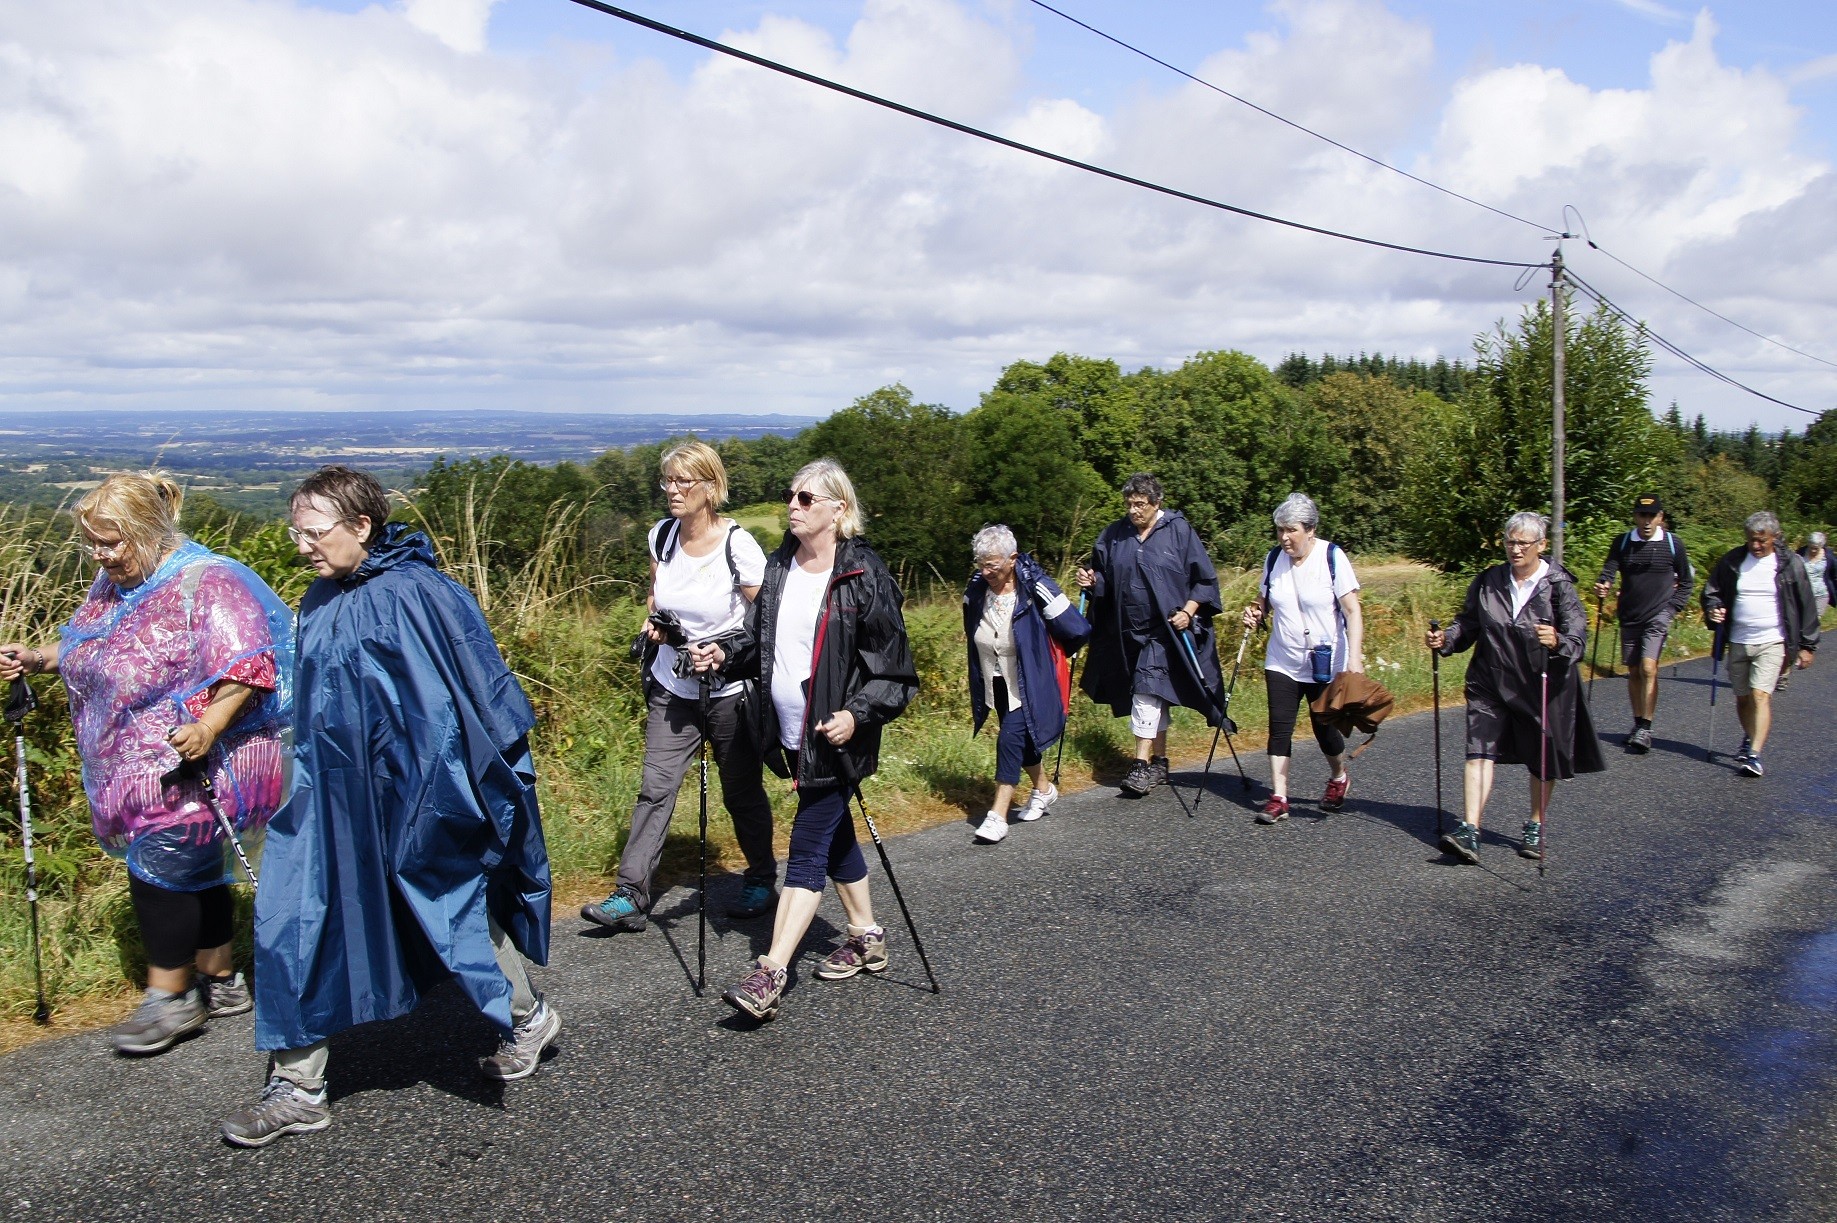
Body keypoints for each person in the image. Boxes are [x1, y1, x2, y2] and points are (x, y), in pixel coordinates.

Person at [222, 466, 557, 1148]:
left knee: (449, 906)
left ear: (361, 526)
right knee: (293, 916)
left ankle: (528, 1016)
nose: (302, 546)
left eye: (314, 532)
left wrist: (451, 794)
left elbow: (471, 700)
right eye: (296, 532)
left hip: (418, 793)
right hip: (329, 798)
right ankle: (298, 1085)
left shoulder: (422, 594)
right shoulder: (318, 598)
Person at [0, 473, 292, 1056]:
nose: (101, 555)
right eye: (93, 544)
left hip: (206, 756)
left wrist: (209, 725)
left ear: (150, 530)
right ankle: (221, 978)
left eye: (112, 542)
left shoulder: (208, 582)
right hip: (134, 761)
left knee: (162, 868)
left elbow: (251, 665)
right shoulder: (115, 586)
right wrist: (34, 657)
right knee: (196, 867)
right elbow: (92, 644)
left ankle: (171, 996)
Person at [717, 459, 918, 1021]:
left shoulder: (863, 575)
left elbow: (895, 674)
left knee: (806, 847)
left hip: (836, 737)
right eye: (791, 496)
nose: (793, 506)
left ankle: (770, 972)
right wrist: (723, 654)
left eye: (807, 499)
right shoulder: (780, 566)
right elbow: (757, 641)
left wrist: (857, 714)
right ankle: (866, 934)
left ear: (839, 509)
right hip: (788, 734)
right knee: (834, 839)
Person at [580, 441, 778, 932]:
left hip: (729, 693)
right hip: (673, 687)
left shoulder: (738, 545)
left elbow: (767, 617)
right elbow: (655, 595)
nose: (671, 489)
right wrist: (656, 625)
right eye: (668, 480)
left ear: (710, 488)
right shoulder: (662, 537)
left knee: (741, 792)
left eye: (683, 481)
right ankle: (630, 894)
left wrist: (725, 651)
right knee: (655, 788)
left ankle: (760, 878)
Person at [1425, 512, 1604, 864]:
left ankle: (1536, 824)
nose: (1515, 549)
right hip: (1490, 679)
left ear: (1541, 545)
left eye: (1523, 542)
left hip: (1542, 684)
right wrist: (1446, 638)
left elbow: (1578, 638)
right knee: (1478, 749)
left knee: (1542, 758)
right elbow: (1470, 622)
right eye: (1510, 541)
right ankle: (1470, 830)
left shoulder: (1558, 586)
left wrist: (1557, 641)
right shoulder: (1489, 580)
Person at [1075, 473, 1225, 797]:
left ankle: (1140, 765)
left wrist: (1188, 611)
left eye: (1140, 504)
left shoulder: (1179, 531)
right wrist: (1091, 581)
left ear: (1157, 503)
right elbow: (1104, 575)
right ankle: (1160, 762)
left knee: (1146, 689)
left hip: (1166, 632)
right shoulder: (1115, 534)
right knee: (1156, 695)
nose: (1133, 511)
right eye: (1129, 504)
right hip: (1127, 632)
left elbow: (1204, 580)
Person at [961, 525, 1091, 844]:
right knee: (1023, 741)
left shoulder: (1035, 586)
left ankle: (997, 816)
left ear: (1012, 558)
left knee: (1008, 740)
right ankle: (1044, 791)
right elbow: (970, 621)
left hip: (1029, 680)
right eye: (981, 563)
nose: (986, 570)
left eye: (992, 564)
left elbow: (1077, 628)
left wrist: (1050, 658)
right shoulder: (977, 586)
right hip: (997, 679)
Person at [1240, 493, 1364, 824]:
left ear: (1310, 529)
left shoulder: (1331, 557)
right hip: (1283, 658)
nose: (1283, 538)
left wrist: (1355, 659)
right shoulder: (1274, 560)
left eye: (1290, 530)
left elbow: (1352, 611)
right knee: (1280, 728)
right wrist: (1254, 612)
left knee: (1324, 728)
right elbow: (1263, 599)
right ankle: (1279, 797)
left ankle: (1338, 776)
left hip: (1326, 662)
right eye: (1279, 530)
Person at [1701, 511, 1819, 778]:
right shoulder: (1732, 560)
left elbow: (1806, 604)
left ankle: (1753, 754)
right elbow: (1711, 592)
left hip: (1773, 640)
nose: (1755, 545)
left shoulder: (1790, 563)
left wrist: (1807, 645)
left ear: (1775, 537)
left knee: (1760, 695)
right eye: (1751, 540)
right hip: (1739, 639)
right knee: (1742, 698)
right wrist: (1714, 608)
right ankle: (1749, 737)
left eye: (1762, 541)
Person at [1593, 493, 1693, 754]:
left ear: (1661, 517)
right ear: (1635, 516)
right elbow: (1609, 570)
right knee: (1635, 671)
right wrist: (1604, 584)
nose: (1647, 521)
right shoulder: (1623, 542)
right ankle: (1638, 724)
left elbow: (1686, 581)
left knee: (1649, 668)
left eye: (1652, 516)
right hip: (1629, 615)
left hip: (1658, 614)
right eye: (1642, 515)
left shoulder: (1673, 544)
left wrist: (1672, 609)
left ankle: (1646, 727)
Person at [1798, 531, 1836, 620]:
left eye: (1816, 548)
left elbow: (1834, 576)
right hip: (1803, 594)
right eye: (1811, 548)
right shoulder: (1800, 553)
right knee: (1803, 621)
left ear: (1821, 546)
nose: (1813, 551)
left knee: (1814, 622)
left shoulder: (1829, 557)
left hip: (1821, 594)